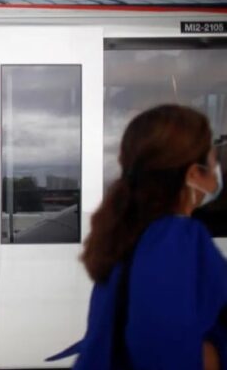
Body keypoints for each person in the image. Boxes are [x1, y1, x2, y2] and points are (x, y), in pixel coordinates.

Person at [48, 105, 227, 369]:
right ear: (191, 174)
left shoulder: (128, 231)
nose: (217, 171)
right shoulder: (175, 240)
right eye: (212, 162)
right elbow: (163, 349)